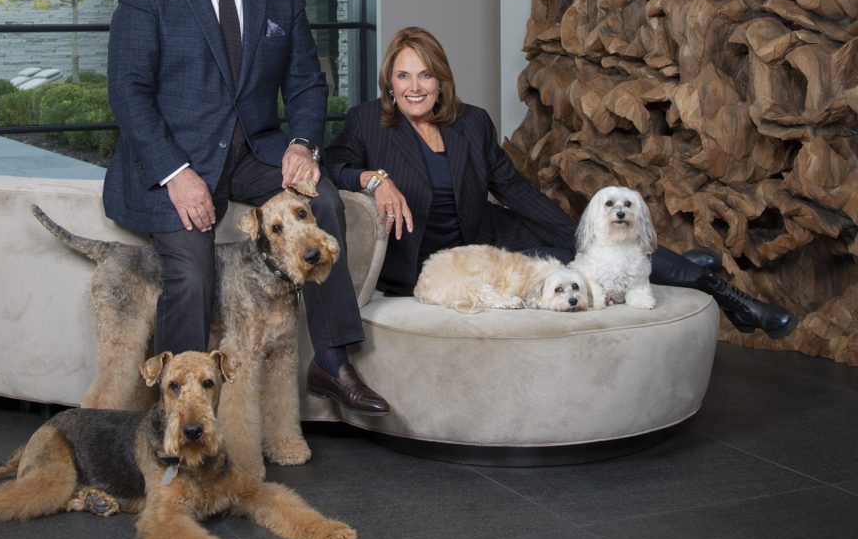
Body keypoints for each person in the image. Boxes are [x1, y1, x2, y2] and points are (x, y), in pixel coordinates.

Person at [103, 0, 389, 415]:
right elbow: (128, 91)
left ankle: (330, 361)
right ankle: (178, 417)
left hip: (255, 154)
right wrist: (174, 173)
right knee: (190, 271)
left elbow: (307, 81)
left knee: (324, 201)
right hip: (176, 162)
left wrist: (302, 144)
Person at [323, 26, 798, 339]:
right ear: (389, 83)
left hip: (487, 235)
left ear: (441, 80)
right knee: (580, 256)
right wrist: (373, 178)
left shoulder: (472, 122)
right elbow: (334, 166)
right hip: (432, 263)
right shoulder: (368, 122)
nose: (414, 86)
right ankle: (685, 268)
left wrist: (573, 229)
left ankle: (728, 296)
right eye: (403, 76)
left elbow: (511, 186)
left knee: (589, 247)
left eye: (425, 74)